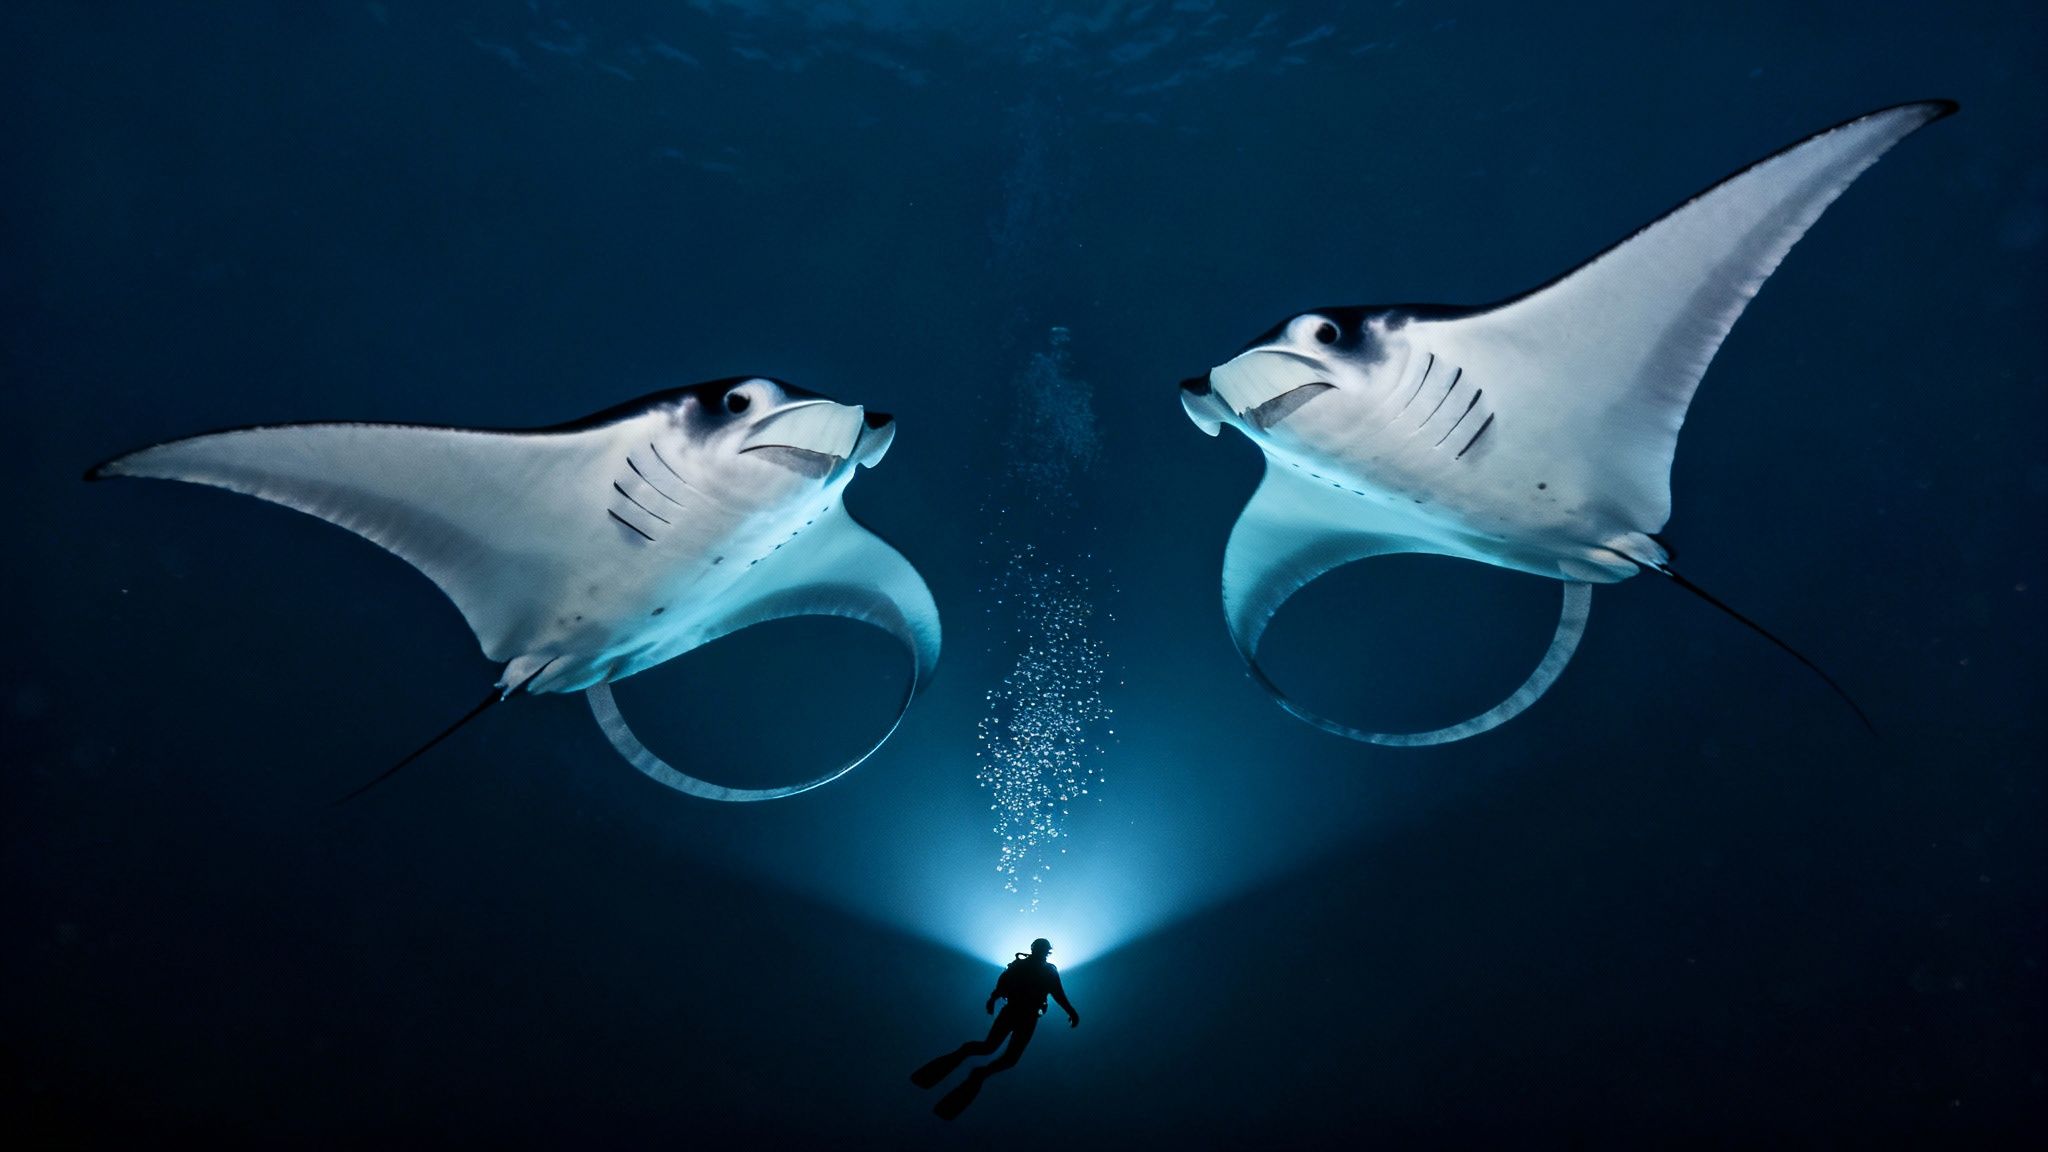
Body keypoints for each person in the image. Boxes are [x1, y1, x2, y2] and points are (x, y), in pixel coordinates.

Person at [913, 938, 1080, 1117]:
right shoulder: (1035, 969)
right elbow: (1008, 984)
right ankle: (970, 1063)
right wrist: (993, 999)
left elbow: (1056, 993)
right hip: (1017, 1014)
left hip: (1024, 1016)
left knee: (1004, 1056)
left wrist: (1071, 1011)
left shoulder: (1039, 969)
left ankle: (977, 1070)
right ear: (1044, 951)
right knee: (991, 1049)